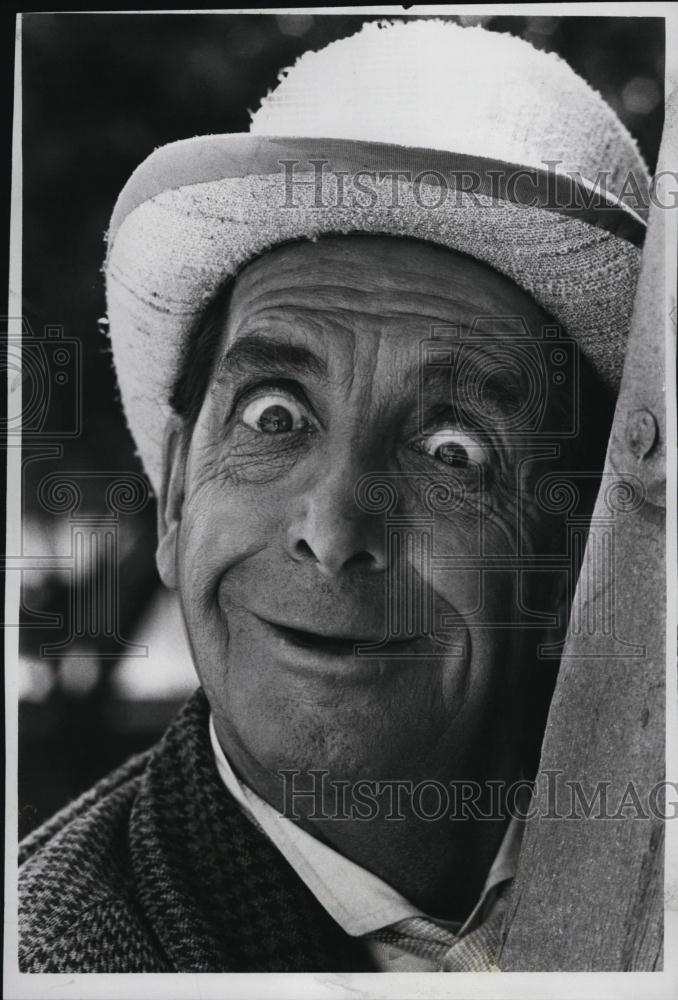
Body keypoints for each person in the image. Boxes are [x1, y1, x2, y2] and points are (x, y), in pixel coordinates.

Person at [18, 19, 649, 972]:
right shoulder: (56, 956)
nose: (332, 527)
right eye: (275, 417)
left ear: (583, 554)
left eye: (452, 450)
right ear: (178, 493)